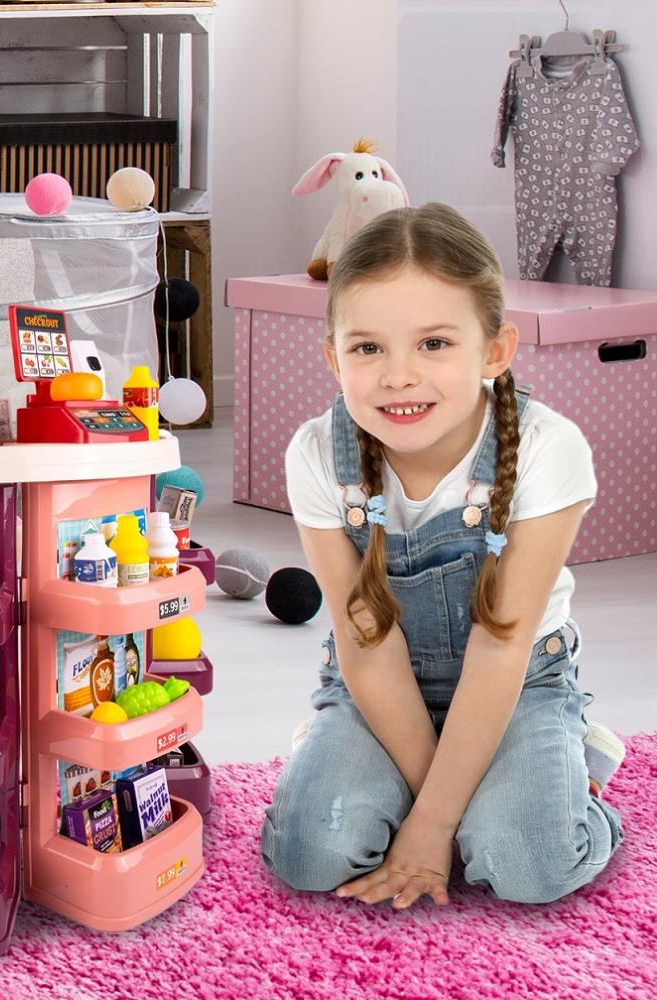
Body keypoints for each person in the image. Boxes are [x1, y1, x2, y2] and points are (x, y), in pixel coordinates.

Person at [261, 202, 625, 909]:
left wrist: (432, 825)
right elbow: (365, 644)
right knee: (310, 854)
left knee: (528, 865)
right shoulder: (316, 454)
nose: (399, 376)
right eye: (368, 348)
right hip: (379, 681)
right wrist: (438, 808)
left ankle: (580, 776)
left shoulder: (548, 448)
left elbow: (502, 646)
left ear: (495, 351)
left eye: (433, 343)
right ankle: (351, 752)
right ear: (333, 358)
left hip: (518, 682)